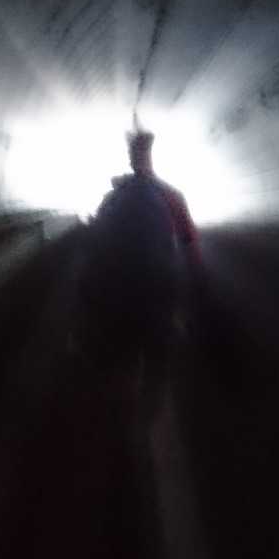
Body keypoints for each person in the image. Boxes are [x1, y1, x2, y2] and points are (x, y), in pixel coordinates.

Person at [78, 126, 198, 387]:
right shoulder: (171, 195)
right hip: (159, 285)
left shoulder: (113, 197)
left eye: (134, 152)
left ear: (132, 156)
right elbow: (189, 243)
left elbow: (95, 240)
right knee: (156, 355)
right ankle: (151, 392)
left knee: (125, 355)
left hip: (121, 289)